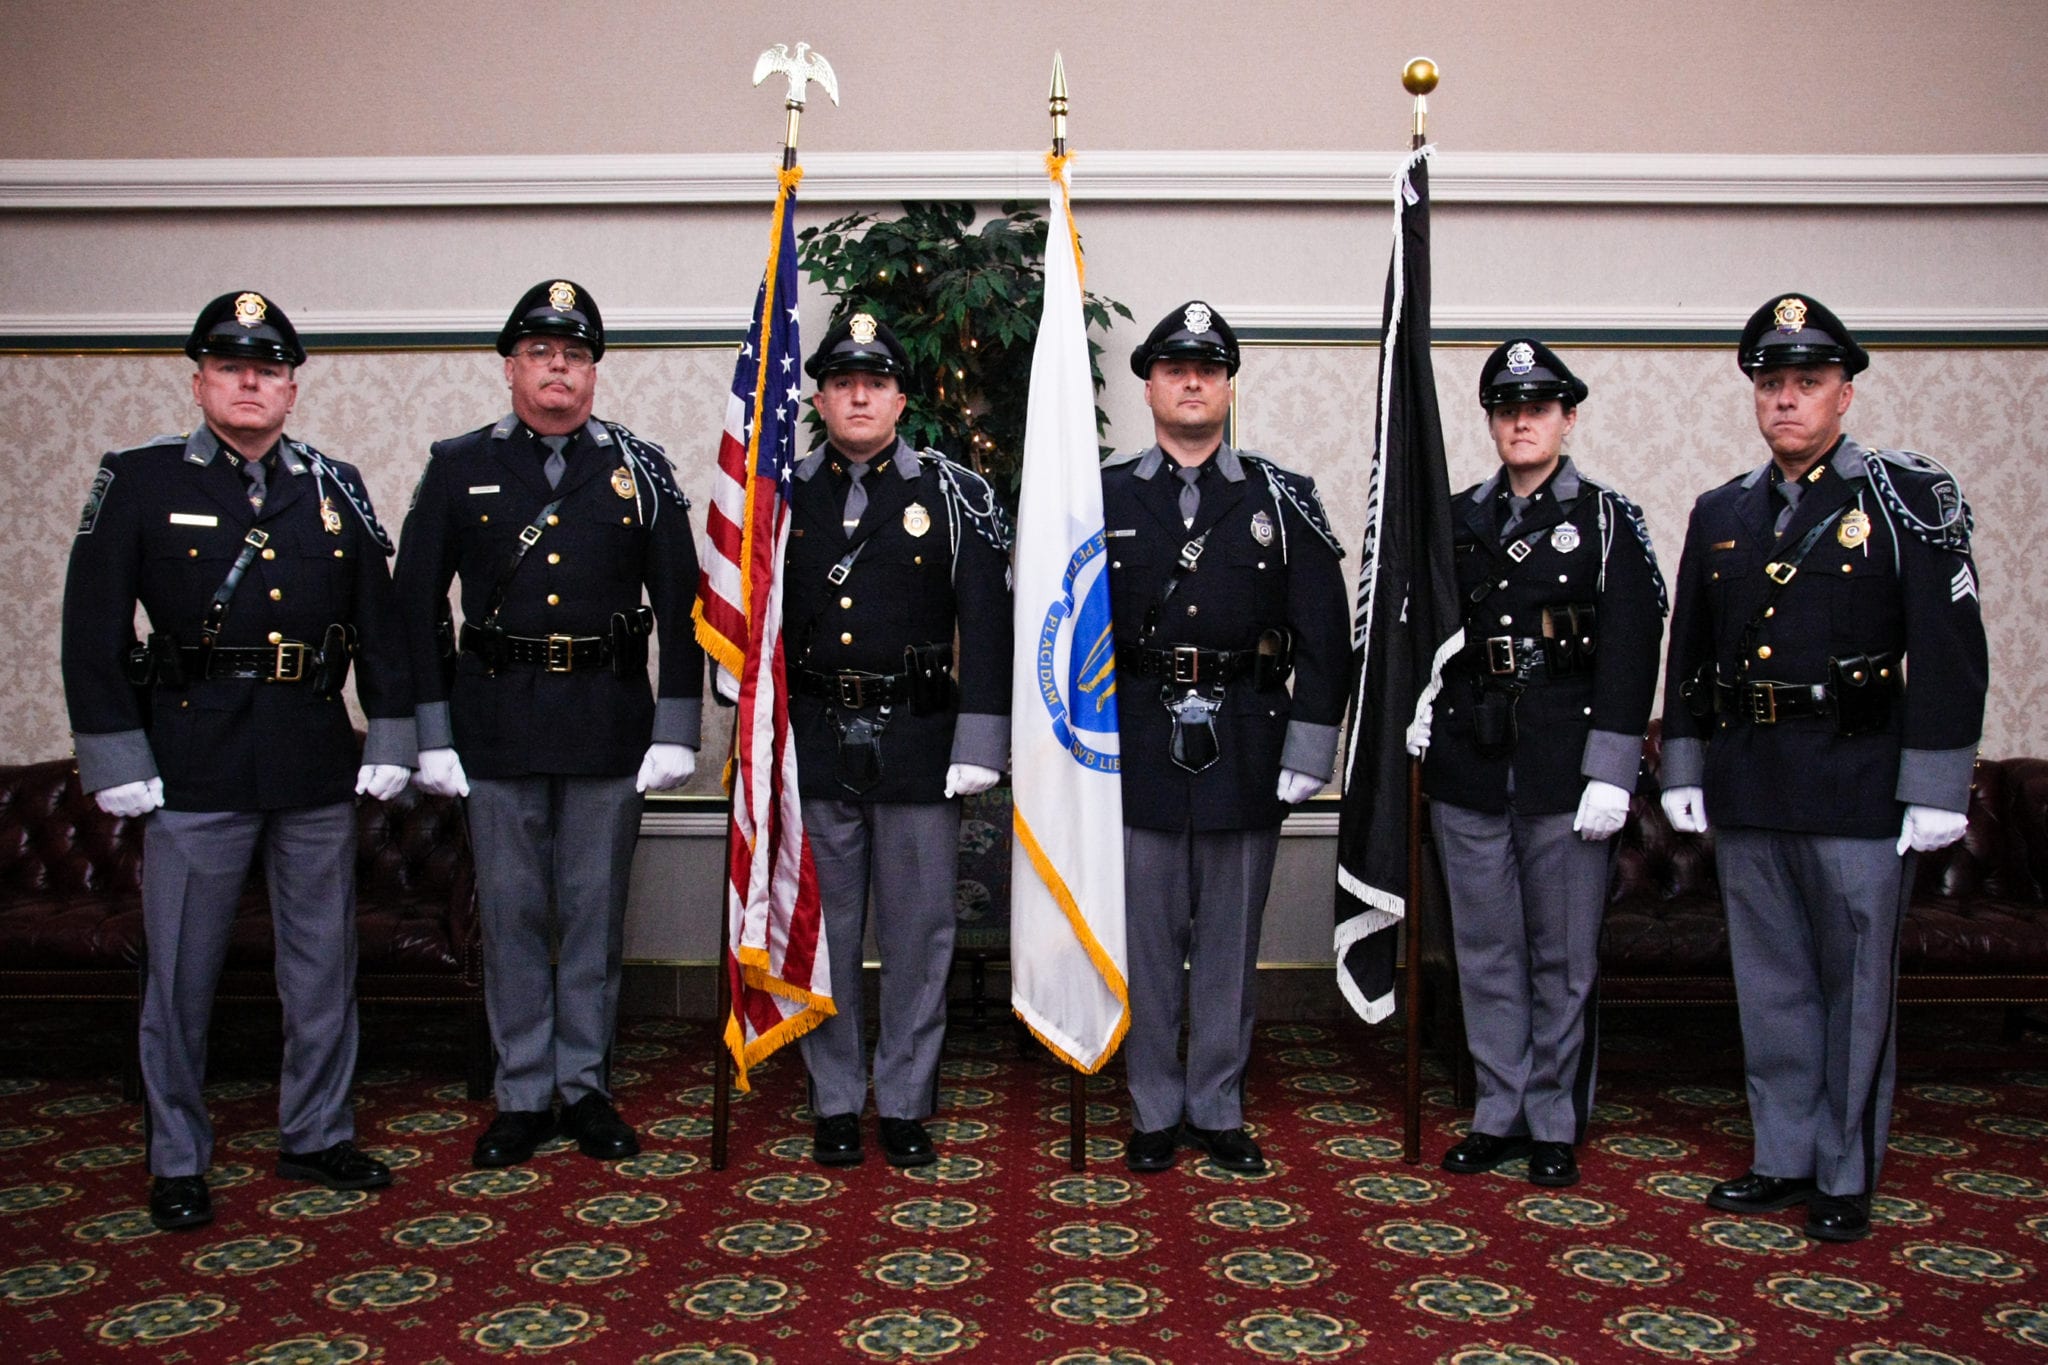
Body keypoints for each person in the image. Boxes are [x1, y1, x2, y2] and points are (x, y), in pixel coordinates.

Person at [61, 290, 415, 1231]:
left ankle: (316, 1132)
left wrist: (390, 730)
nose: (250, 381)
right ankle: (178, 1154)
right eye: (231, 366)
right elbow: (91, 631)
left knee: (321, 964)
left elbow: (379, 623)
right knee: (180, 971)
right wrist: (115, 756)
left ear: (292, 388)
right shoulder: (137, 481)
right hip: (190, 762)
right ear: (201, 382)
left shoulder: (336, 485)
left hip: (308, 757)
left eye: (267, 368)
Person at [1660, 294, 1987, 1242]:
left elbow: (1953, 648)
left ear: (1844, 392)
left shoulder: (1906, 498)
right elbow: (1693, 652)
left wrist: (1936, 784)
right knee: (1773, 986)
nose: (1787, 401)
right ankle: (1783, 1155)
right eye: (1772, 385)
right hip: (1752, 777)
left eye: (1807, 382)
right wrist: (1685, 761)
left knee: (1852, 990)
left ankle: (1845, 1168)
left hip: (1858, 781)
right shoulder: (1722, 510)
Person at [395, 280, 703, 1168]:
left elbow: (683, 604)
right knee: (516, 914)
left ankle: (586, 1085)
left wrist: (675, 723)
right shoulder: (457, 466)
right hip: (493, 723)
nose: (557, 367)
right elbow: (414, 603)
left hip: (608, 723)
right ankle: (523, 1090)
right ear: (510, 368)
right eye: (540, 352)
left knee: (595, 915)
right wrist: (432, 731)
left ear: (594, 371)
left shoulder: (641, 471)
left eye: (573, 354)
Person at [1105, 302, 1350, 1175]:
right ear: (1150, 384)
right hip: (1134, 743)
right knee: (1146, 937)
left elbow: (1328, 637)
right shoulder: (1104, 494)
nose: (1193, 380)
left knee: (1227, 943)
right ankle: (1153, 1107)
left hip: (1248, 742)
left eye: (1208, 367)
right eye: (1176, 367)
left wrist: (1309, 751)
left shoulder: (1282, 500)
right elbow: (1057, 631)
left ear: (1229, 383)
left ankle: (1216, 1103)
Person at [1417, 339, 1665, 1188]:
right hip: (1471, 761)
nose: (1522, 421)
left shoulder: (1606, 520)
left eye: (1539, 407)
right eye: (1506, 408)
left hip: (1566, 765)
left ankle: (1554, 1118)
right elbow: (1418, 638)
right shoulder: (1451, 520)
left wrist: (1614, 768)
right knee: (1485, 950)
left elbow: (1633, 648)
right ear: (1490, 420)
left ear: (1566, 416)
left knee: (1562, 956)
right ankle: (1499, 1109)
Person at [786, 312, 1012, 1170]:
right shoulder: (783, 494)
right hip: (813, 741)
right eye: (842, 381)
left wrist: (980, 741)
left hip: (921, 741)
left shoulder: (956, 493)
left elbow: (987, 625)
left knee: (919, 936)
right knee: (826, 932)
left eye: (874, 382)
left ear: (900, 398)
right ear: (820, 395)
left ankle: (907, 1096)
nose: (857, 395)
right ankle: (837, 1096)